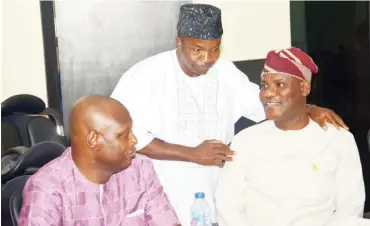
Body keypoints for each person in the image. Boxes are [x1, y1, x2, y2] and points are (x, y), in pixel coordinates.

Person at [111, 4, 347, 225]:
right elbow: (123, 136)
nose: (207, 59)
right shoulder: (145, 75)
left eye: (214, 49)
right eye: (197, 50)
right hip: (163, 199)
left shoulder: (224, 71)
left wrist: (309, 109)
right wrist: (191, 154)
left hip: (214, 200)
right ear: (179, 43)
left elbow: (264, 105)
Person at [215, 47, 367, 226]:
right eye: (264, 85)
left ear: (304, 87)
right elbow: (228, 208)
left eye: (279, 85)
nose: (267, 93)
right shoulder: (244, 141)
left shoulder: (338, 140)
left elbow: (350, 207)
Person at [18, 96, 180, 226]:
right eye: (123, 135)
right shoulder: (47, 187)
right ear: (94, 140)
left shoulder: (141, 169)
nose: (134, 140)